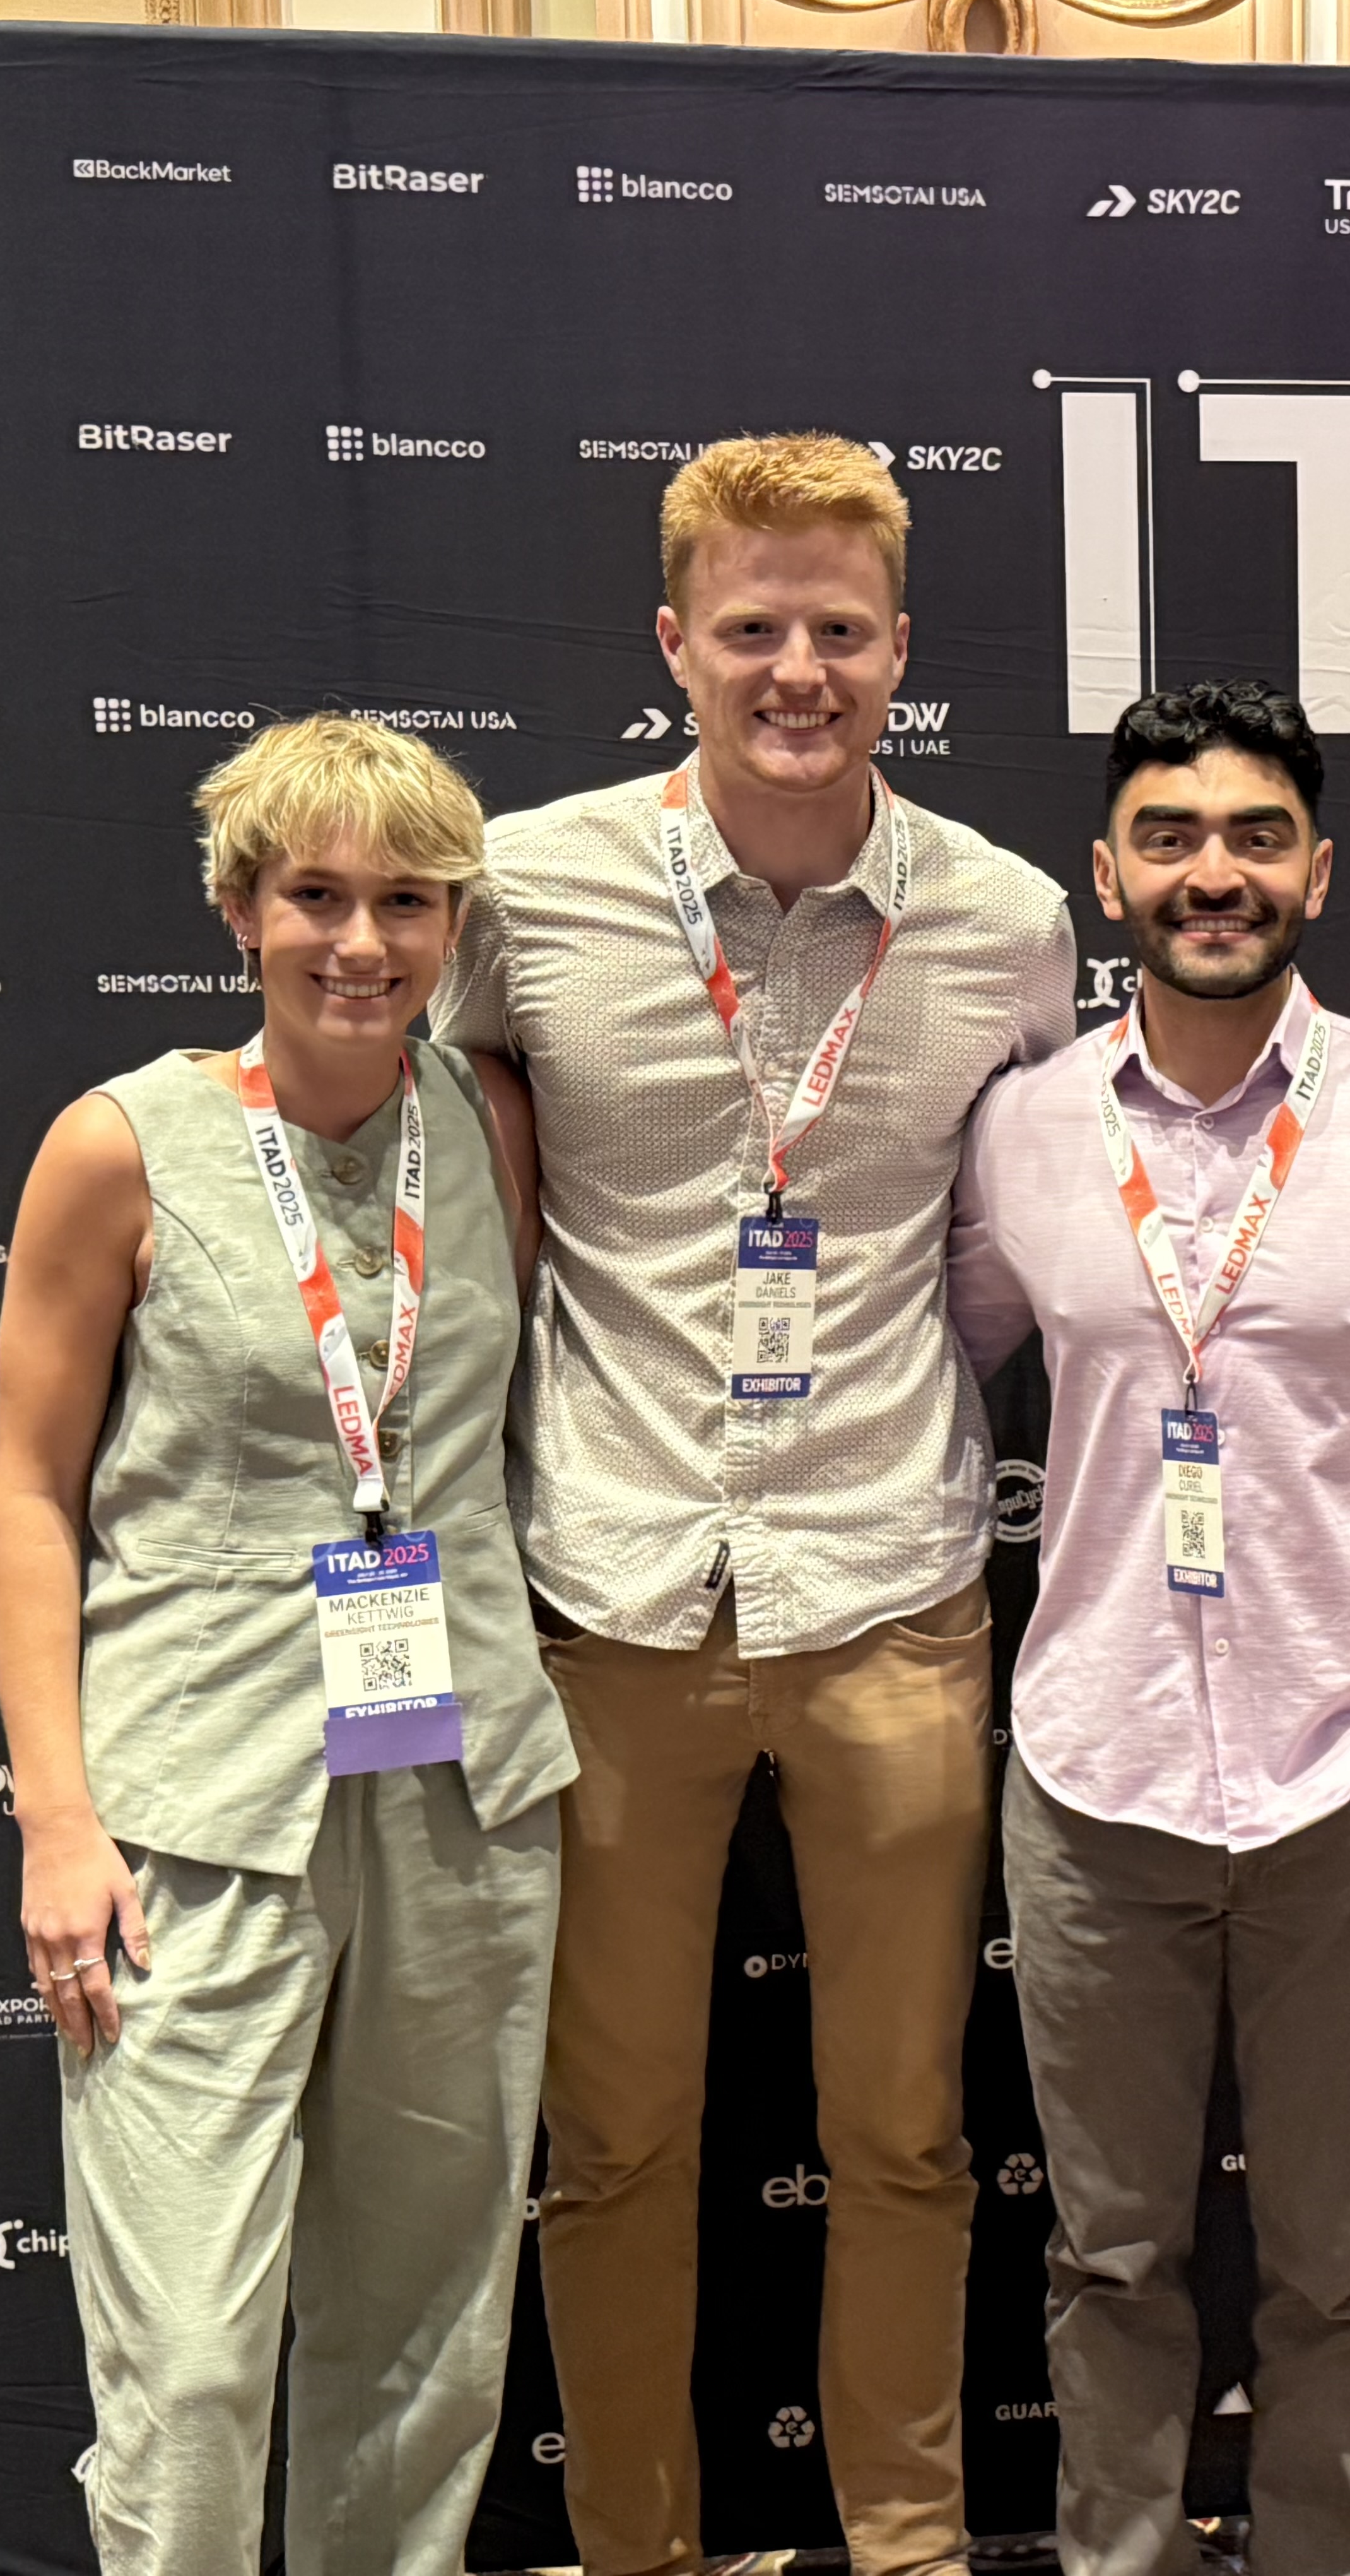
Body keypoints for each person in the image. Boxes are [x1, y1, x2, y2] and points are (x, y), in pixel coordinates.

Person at [435, 432, 1075, 2576]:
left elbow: (1031, 1236)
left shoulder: (1007, 921)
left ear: (900, 649)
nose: (797, 669)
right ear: (673, 645)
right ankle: (639, 2550)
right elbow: (445, 1184)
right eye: (752, 629)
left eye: (839, 630)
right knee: (614, 2141)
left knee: (904, 2133)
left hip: (893, 1588)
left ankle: (909, 2546)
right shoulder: (521, 893)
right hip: (612, 1600)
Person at [946, 678, 1350, 2576]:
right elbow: (936, 1371)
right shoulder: (1026, 1130)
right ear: (1108, 874)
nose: (1212, 873)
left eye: (1255, 836)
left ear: (1319, 869)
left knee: (1339, 2269)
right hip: (1094, 1779)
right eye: (1170, 837)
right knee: (1109, 2259)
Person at [0, 715, 578, 2576]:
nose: (363, 942)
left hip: (460, 1798)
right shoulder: (120, 1145)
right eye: (316, 895)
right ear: (240, 908)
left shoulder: (490, 1124)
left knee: (424, 2348)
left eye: (409, 901)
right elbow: (30, 1497)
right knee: (189, 2365)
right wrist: (55, 1819)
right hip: (197, 1814)